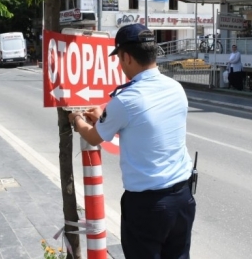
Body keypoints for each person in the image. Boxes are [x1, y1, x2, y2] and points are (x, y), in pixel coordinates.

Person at [68, 23, 196, 259]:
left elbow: (93, 136)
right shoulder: (176, 88)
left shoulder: (126, 100)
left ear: (126, 56)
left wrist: (77, 119)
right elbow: (146, 132)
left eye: (118, 58)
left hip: (148, 206)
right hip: (182, 199)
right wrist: (107, 121)